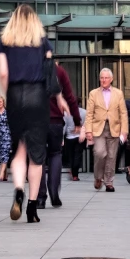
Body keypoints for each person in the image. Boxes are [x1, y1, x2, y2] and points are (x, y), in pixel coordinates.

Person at [0, 4, 70, 223]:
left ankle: (19, 190)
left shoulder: (5, 41)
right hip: (38, 97)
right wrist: (59, 98)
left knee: (18, 150)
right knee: (37, 156)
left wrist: (8, 91)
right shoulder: (42, 41)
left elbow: (3, 72)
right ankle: (32, 208)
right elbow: (50, 73)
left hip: (15, 95)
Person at [37, 63, 80, 209]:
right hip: (55, 122)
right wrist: (77, 120)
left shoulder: (30, 68)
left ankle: (40, 197)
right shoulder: (59, 71)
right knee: (55, 154)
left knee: (39, 158)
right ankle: (54, 194)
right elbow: (70, 97)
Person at [83, 68, 128, 192]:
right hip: (98, 128)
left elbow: (123, 113)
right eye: (102, 78)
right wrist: (88, 130)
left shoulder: (118, 93)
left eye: (106, 78)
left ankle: (109, 182)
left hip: (114, 128)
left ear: (111, 79)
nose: (104, 80)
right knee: (100, 153)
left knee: (112, 156)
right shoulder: (93, 93)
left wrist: (124, 131)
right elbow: (89, 114)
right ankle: (98, 177)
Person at [63, 106, 88, 181]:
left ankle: (73, 172)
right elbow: (87, 123)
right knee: (78, 155)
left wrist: (61, 137)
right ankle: (75, 175)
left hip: (69, 137)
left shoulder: (66, 113)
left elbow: (64, 126)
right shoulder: (84, 112)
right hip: (81, 137)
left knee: (71, 156)